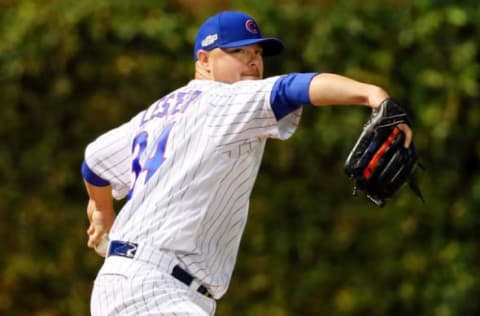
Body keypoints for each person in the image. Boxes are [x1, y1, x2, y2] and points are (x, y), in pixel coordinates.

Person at [81, 10, 412, 316]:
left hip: (141, 285)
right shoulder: (223, 100)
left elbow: (95, 162)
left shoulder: (158, 112)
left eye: (257, 53)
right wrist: (372, 94)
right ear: (204, 60)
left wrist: (103, 210)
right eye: (238, 52)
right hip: (153, 289)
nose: (252, 61)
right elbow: (290, 88)